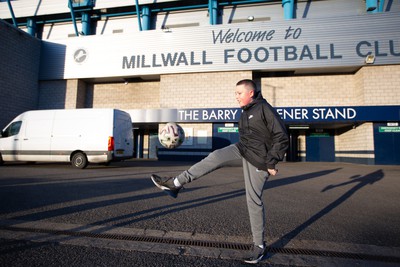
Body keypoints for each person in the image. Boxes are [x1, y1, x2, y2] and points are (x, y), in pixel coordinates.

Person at [151, 79, 289, 264]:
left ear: (250, 93)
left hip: (260, 159)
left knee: (253, 200)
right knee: (215, 156)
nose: (236, 97)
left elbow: (282, 136)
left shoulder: (264, 109)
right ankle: (175, 184)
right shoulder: (246, 111)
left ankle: (259, 247)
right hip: (243, 149)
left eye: (239, 93)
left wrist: (271, 162)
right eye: (235, 93)